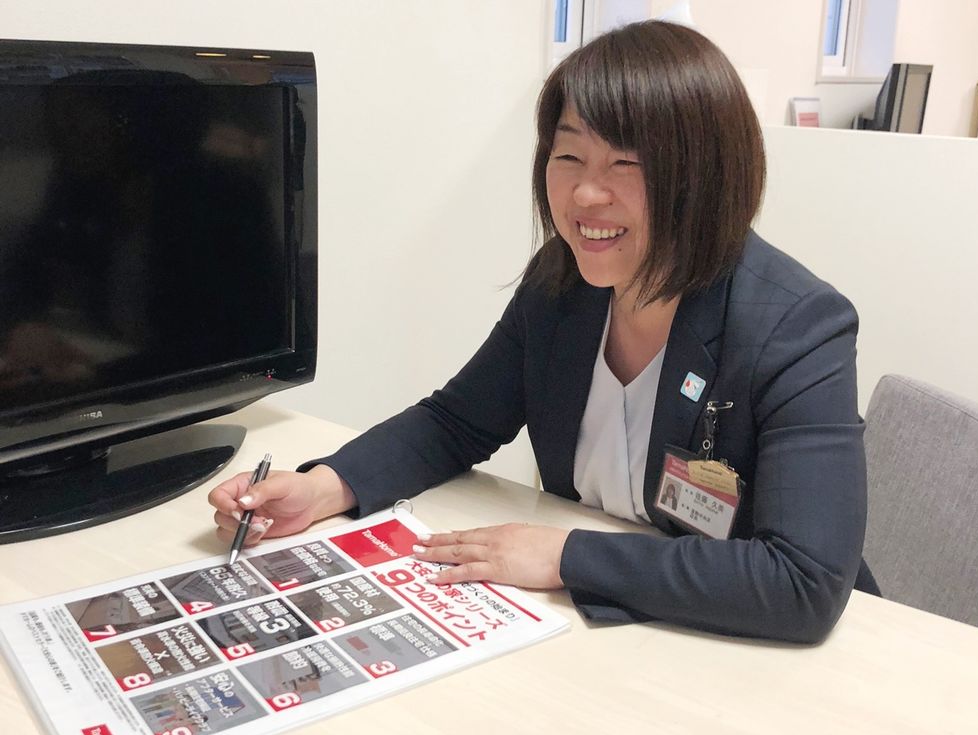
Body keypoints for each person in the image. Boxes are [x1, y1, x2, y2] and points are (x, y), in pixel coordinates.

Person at [210, 20, 875, 643]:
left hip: (752, 651)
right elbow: (456, 422)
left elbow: (802, 581)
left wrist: (564, 556)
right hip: (603, 634)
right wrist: (324, 488)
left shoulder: (796, 326)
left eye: (626, 164)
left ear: (704, 176)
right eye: (570, 156)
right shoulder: (562, 284)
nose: (585, 194)